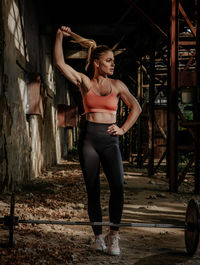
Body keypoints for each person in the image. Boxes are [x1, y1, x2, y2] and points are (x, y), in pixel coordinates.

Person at [54, 26, 142, 256]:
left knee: (118, 187)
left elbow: (136, 108)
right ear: (97, 63)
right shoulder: (85, 82)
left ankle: (114, 237)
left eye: (113, 61)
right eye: (109, 61)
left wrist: (122, 129)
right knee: (92, 189)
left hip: (110, 140)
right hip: (89, 140)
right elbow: (61, 64)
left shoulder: (118, 85)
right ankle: (98, 238)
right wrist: (59, 37)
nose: (113, 65)